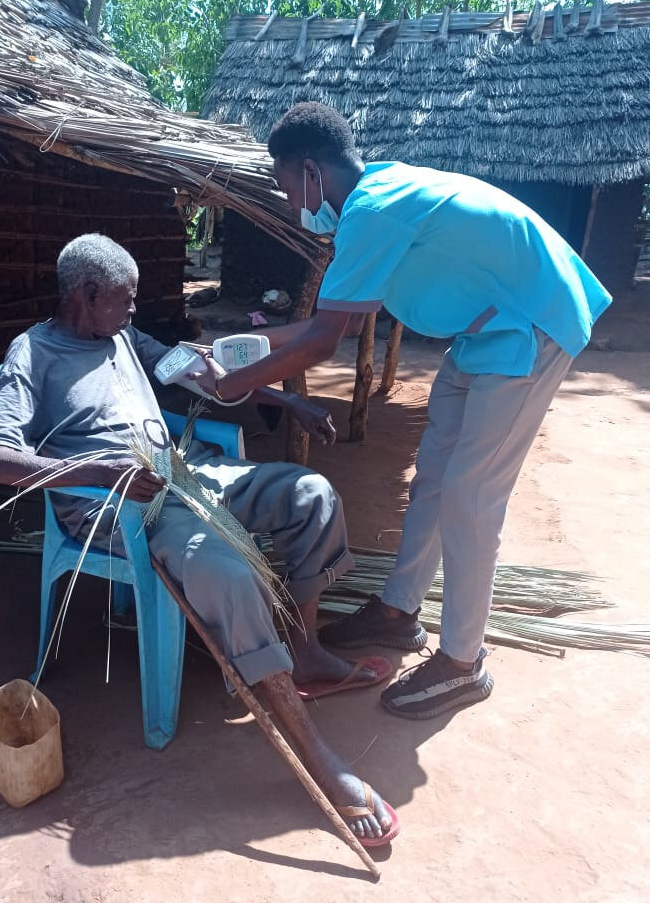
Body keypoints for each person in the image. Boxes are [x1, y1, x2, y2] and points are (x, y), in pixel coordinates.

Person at [191, 101, 612, 721]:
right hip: (485, 334)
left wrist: (234, 385)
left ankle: (464, 664)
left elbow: (323, 340)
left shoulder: (372, 211)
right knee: (434, 478)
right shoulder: (377, 196)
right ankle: (397, 612)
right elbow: (317, 324)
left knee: (471, 495)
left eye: (287, 188)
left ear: (311, 172)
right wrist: (226, 356)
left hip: (530, 324)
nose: (291, 205)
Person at [0, 233, 399, 847]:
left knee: (312, 495)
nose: (133, 310)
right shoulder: (32, 356)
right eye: (124, 299)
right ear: (86, 295)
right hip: (120, 508)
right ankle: (319, 755)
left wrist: (282, 398)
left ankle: (303, 648)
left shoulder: (122, 336)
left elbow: (190, 368)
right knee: (226, 574)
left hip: (187, 472)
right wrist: (102, 474)